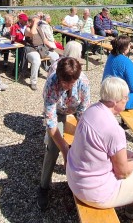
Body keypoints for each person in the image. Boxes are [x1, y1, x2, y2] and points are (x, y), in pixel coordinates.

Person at [66, 77, 133, 223]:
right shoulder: (114, 130)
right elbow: (122, 172)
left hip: (75, 177)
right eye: (125, 97)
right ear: (114, 101)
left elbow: (102, 148)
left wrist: (128, 155)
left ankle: (131, 209)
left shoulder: (91, 111)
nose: (127, 99)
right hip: (92, 191)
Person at [38, 57, 90, 211]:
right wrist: (65, 149)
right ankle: (43, 187)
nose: (67, 86)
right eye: (64, 83)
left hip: (75, 109)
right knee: (53, 148)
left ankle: (76, 183)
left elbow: (83, 114)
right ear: (59, 77)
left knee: (82, 145)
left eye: (71, 83)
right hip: (58, 111)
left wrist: (79, 143)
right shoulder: (51, 84)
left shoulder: (83, 83)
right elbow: (51, 121)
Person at [25, 14, 59, 91]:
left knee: (56, 57)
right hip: (31, 49)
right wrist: (34, 23)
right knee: (36, 61)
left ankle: (53, 75)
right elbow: (32, 33)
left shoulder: (39, 28)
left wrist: (51, 47)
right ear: (30, 22)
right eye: (35, 21)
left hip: (41, 49)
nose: (37, 22)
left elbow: (44, 40)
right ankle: (33, 82)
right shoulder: (27, 29)